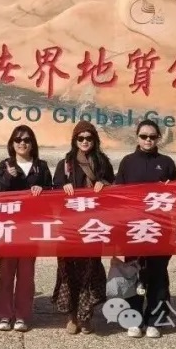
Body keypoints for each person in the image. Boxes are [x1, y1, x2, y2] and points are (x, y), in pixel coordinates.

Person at [115, 119, 176, 339]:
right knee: (133, 274)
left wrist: (170, 190)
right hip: (134, 228)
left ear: (158, 138)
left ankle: (155, 320)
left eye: (152, 136)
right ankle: (133, 319)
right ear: (137, 137)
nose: (148, 140)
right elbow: (118, 194)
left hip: (160, 228)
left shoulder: (166, 163)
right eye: (144, 136)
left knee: (158, 275)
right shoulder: (127, 162)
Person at [51, 120, 114, 335]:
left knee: (89, 270)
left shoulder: (103, 162)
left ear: (94, 140)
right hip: (69, 226)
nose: (85, 141)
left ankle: (86, 316)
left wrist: (105, 184)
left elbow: (115, 188)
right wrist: (63, 186)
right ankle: (71, 316)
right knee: (68, 269)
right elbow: (53, 189)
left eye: (89, 138)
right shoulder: (66, 163)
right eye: (81, 138)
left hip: (93, 225)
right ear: (75, 140)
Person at [0, 125, 52, 333]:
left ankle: (22, 315)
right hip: (8, 226)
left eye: (26, 140)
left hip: (30, 227)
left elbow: (53, 192)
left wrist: (42, 189)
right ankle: (4, 314)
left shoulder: (41, 166)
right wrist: (7, 177)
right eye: (18, 140)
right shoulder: (5, 165)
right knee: (6, 272)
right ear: (12, 143)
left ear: (32, 143)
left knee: (26, 274)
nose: (22, 143)